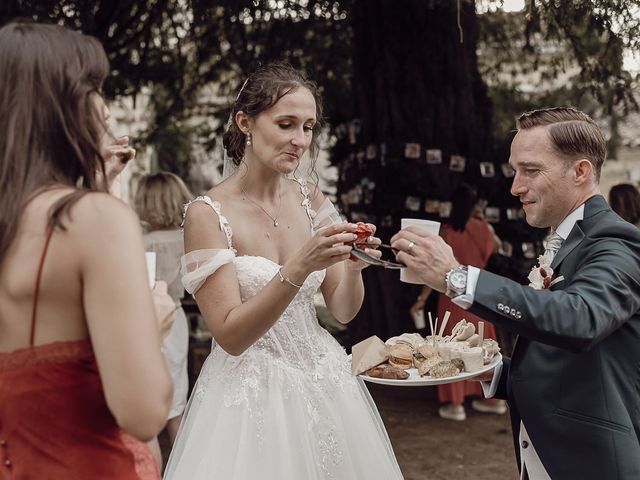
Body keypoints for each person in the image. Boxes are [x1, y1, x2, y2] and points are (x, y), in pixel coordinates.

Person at [164, 63, 403, 479]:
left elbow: (343, 310)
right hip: (250, 394)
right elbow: (231, 335)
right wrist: (299, 266)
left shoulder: (311, 199)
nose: (300, 141)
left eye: (308, 127)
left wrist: (354, 266)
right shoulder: (207, 214)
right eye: (286, 124)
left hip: (326, 380)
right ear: (246, 122)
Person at [391, 107, 640, 479]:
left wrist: (456, 277)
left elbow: (580, 319)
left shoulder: (615, 241)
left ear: (581, 171)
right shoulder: (564, 240)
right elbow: (567, 365)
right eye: (514, 171)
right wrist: (490, 371)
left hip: (593, 463)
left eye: (531, 170)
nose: (515, 186)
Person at [0, 22, 174, 479]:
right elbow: (143, 413)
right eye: (94, 88)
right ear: (57, 106)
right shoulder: (92, 220)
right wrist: (150, 326)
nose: (108, 111)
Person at [409, 184, 505, 421]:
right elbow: (498, 248)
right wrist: (482, 223)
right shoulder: (485, 229)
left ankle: (456, 404)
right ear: (474, 206)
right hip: (479, 295)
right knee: (481, 346)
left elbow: (433, 270)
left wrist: (421, 300)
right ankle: (490, 399)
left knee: (450, 349)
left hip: (452, 297)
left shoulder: (447, 233)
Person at [134, 171, 193, 464]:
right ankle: (183, 465)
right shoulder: (188, 239)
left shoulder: (144, 242)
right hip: (178, 315)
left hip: (149, 319)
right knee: (176, 399)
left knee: (147, 394)